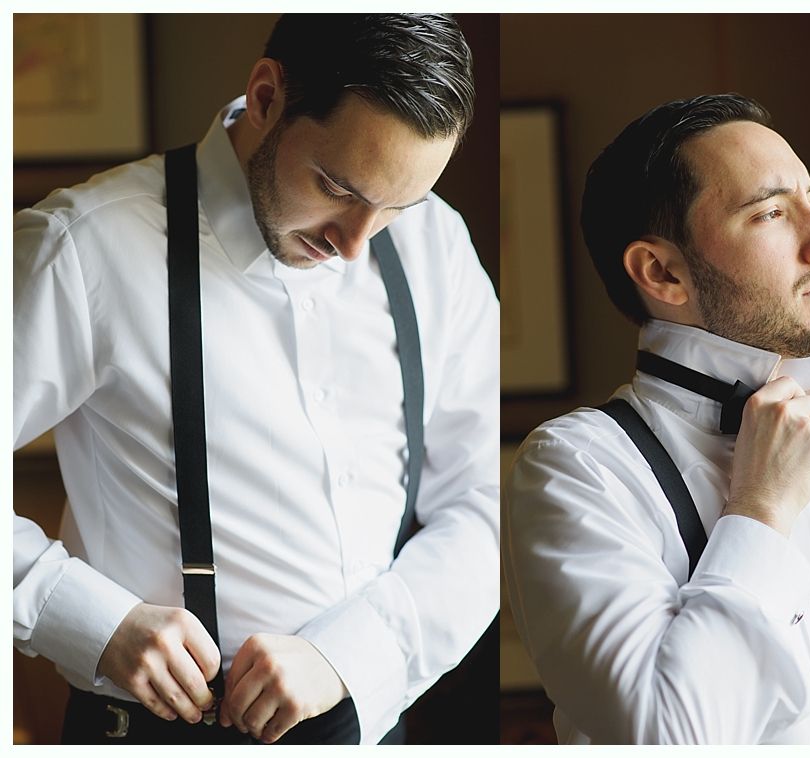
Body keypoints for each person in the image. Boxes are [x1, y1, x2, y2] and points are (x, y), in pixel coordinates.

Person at [14, 14, 499, 745]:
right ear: (267, 95)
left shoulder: (439, 246)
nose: (354, 244)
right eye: (337, 186)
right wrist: (89, 619)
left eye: (396, 207)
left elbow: (482, 504)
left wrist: (350, 653)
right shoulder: (83, 247)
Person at [501, 94, 810, 744]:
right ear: (662, 272)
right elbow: (667, 737)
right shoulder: (576, 468)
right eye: (772, 212)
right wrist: (760, 510)